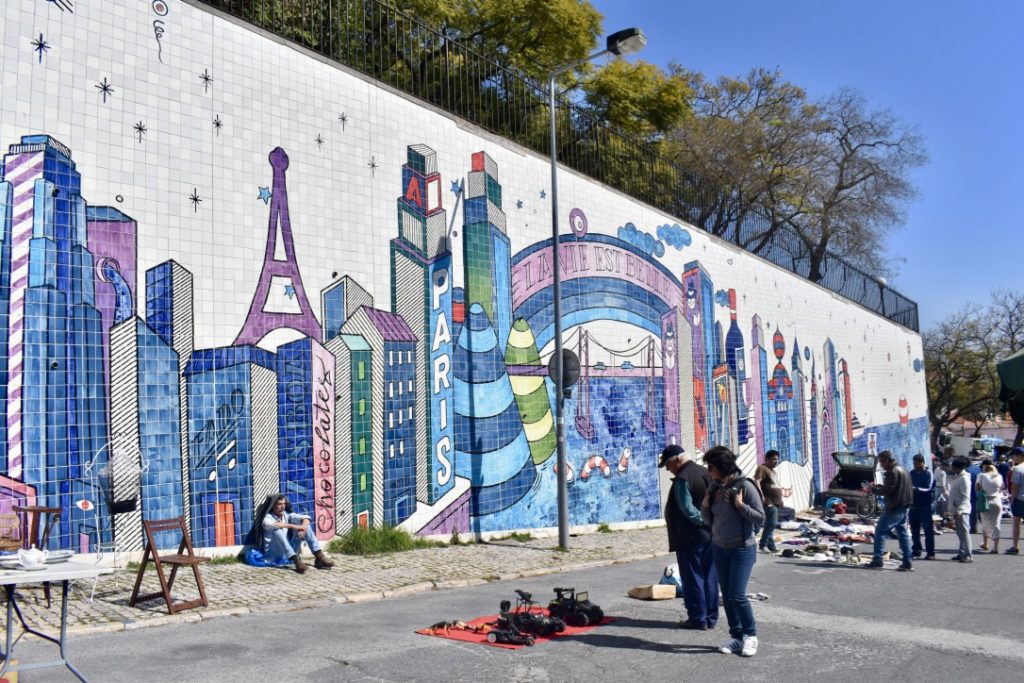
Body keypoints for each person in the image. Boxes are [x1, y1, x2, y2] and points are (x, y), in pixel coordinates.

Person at [701, 446, 765, 657]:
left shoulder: (745, 486)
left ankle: (751, 635)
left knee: (737, 595)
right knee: (727, 597)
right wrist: (704, 507)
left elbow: (760, 518)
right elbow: (709, 520)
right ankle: (736, 636)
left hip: (742, 549)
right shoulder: (714, 488)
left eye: (711, 467)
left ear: (722, 466)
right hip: (720, 548)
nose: (708, 471)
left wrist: (740, 506)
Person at [660, 444, 717, 630]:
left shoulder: (682, 479)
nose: (668, 469)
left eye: (668, 465)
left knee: (693, 577)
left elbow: (688, 509)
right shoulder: (705, 472)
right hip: (709, 535)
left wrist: (703, 521)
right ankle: (710, 616)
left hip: (689, 536)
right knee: (709, 575)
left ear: (676, 460)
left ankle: (698, 618)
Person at [261, 493, 335, 573]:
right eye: (279, 504)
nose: (283, 507)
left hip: (287, 552)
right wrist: (295, 526)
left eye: (284, 504)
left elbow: (306, 518)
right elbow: (277, 525)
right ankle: (296, 561)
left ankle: (319, 557)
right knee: (277, 530)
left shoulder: (286, 515)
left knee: (305, 526)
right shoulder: (267, 518)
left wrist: (303, 528)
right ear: (272, 506)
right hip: (273, 554)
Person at [866, 451, 914, 571]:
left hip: (894, 506)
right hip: (904, 505)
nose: (881, 465)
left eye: (881, 462)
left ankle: (878, 560)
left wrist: (874, 489)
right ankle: (907, 561)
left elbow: (888, 490)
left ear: (887, 460)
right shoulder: (903, 469)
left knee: (880, 532)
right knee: (902, 534)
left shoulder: (892, 471)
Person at [753, 450, 783, 553]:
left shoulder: (773, 471)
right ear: (767, 459)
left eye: (777, 459)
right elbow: (757, 480)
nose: (776, 461)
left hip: (776, 501)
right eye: (774, 459)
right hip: (768, 501)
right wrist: (761, 495)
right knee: (773, 523)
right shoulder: (762, 468)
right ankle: (763, 544)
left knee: (770, 524)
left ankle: (771, 546)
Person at [908, 454, 935, 560]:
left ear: (922, 463)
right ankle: (916, 550)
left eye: (917, 463)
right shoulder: (912, 473)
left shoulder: (928, 474)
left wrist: (915, 489)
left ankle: (930, 553)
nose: (915, 465)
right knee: (914, 530)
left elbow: (928, 488)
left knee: (928, 531)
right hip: (913, 506)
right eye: (914, 463)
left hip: (925, 506)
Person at [975, 459, 1004, 554]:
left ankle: (986, 543)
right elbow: (1002, 488)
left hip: (985, 500)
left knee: (985, 523)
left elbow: (977, 487)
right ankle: (995, 547)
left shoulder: (981, 475)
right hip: (997, 500)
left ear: (985, 467)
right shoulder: (999, 476)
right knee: (996, 523)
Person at [949, 457, 974, 562]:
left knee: (964, 532)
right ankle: (962, 552)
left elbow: (965, 496)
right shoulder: (958, 477)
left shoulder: (964, 478)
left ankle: (968, 554)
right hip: (957, 509)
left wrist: (960, 510)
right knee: (960, 533)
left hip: (962, 510)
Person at [1005, 447, 1024, 555]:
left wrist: (1012, 498)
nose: (1013, 458)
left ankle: (1015, 547)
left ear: (1019, 456)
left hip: (1020, 498)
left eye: (1014, 456)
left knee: (1016, 523)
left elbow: (1015, 486)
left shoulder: (1017, 469)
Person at [933, 458, 949, 534]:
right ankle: (941, 521)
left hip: (936, 488)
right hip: (940, 489)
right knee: (941, 504)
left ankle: (941, 521)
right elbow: (942, 483)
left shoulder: (936, 469)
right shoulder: (943, 473)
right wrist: (945, 491)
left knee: (937, 502)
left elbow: (935, 479)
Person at [967, 458, 982, 534]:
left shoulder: (967, 470)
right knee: (981, 511)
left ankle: (973, 528)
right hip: (980, 492)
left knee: (973, 512)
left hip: (971, 492)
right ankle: (987, 527)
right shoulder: (978, 468)